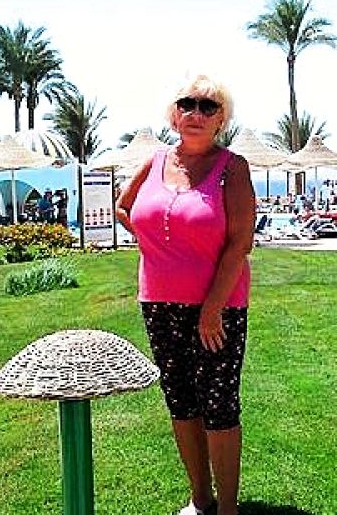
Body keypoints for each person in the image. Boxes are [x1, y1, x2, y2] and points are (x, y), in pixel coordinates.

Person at [116, 74, 255, 515]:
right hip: (158, 304)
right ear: (174, 115)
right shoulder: (155, 161)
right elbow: (123, 207)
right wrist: (156, 245)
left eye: (208, 107)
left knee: (218, 405)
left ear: (221, 120)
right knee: (180, 401)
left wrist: (212, 308)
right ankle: (200, 499)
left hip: (218, 307)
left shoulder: (232, 168)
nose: (196, 113)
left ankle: (227, 507)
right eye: (187, 104)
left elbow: (241, 243)